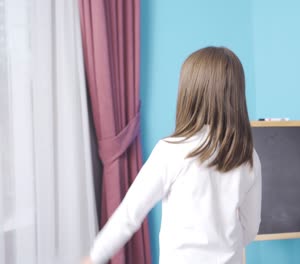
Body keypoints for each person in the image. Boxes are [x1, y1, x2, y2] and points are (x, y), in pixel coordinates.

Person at [81, 46, 262, 264]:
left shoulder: (171, 151)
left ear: (189, 93)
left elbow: (130, 214)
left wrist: (94, 257)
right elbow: (250, 229)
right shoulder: (248, 156)